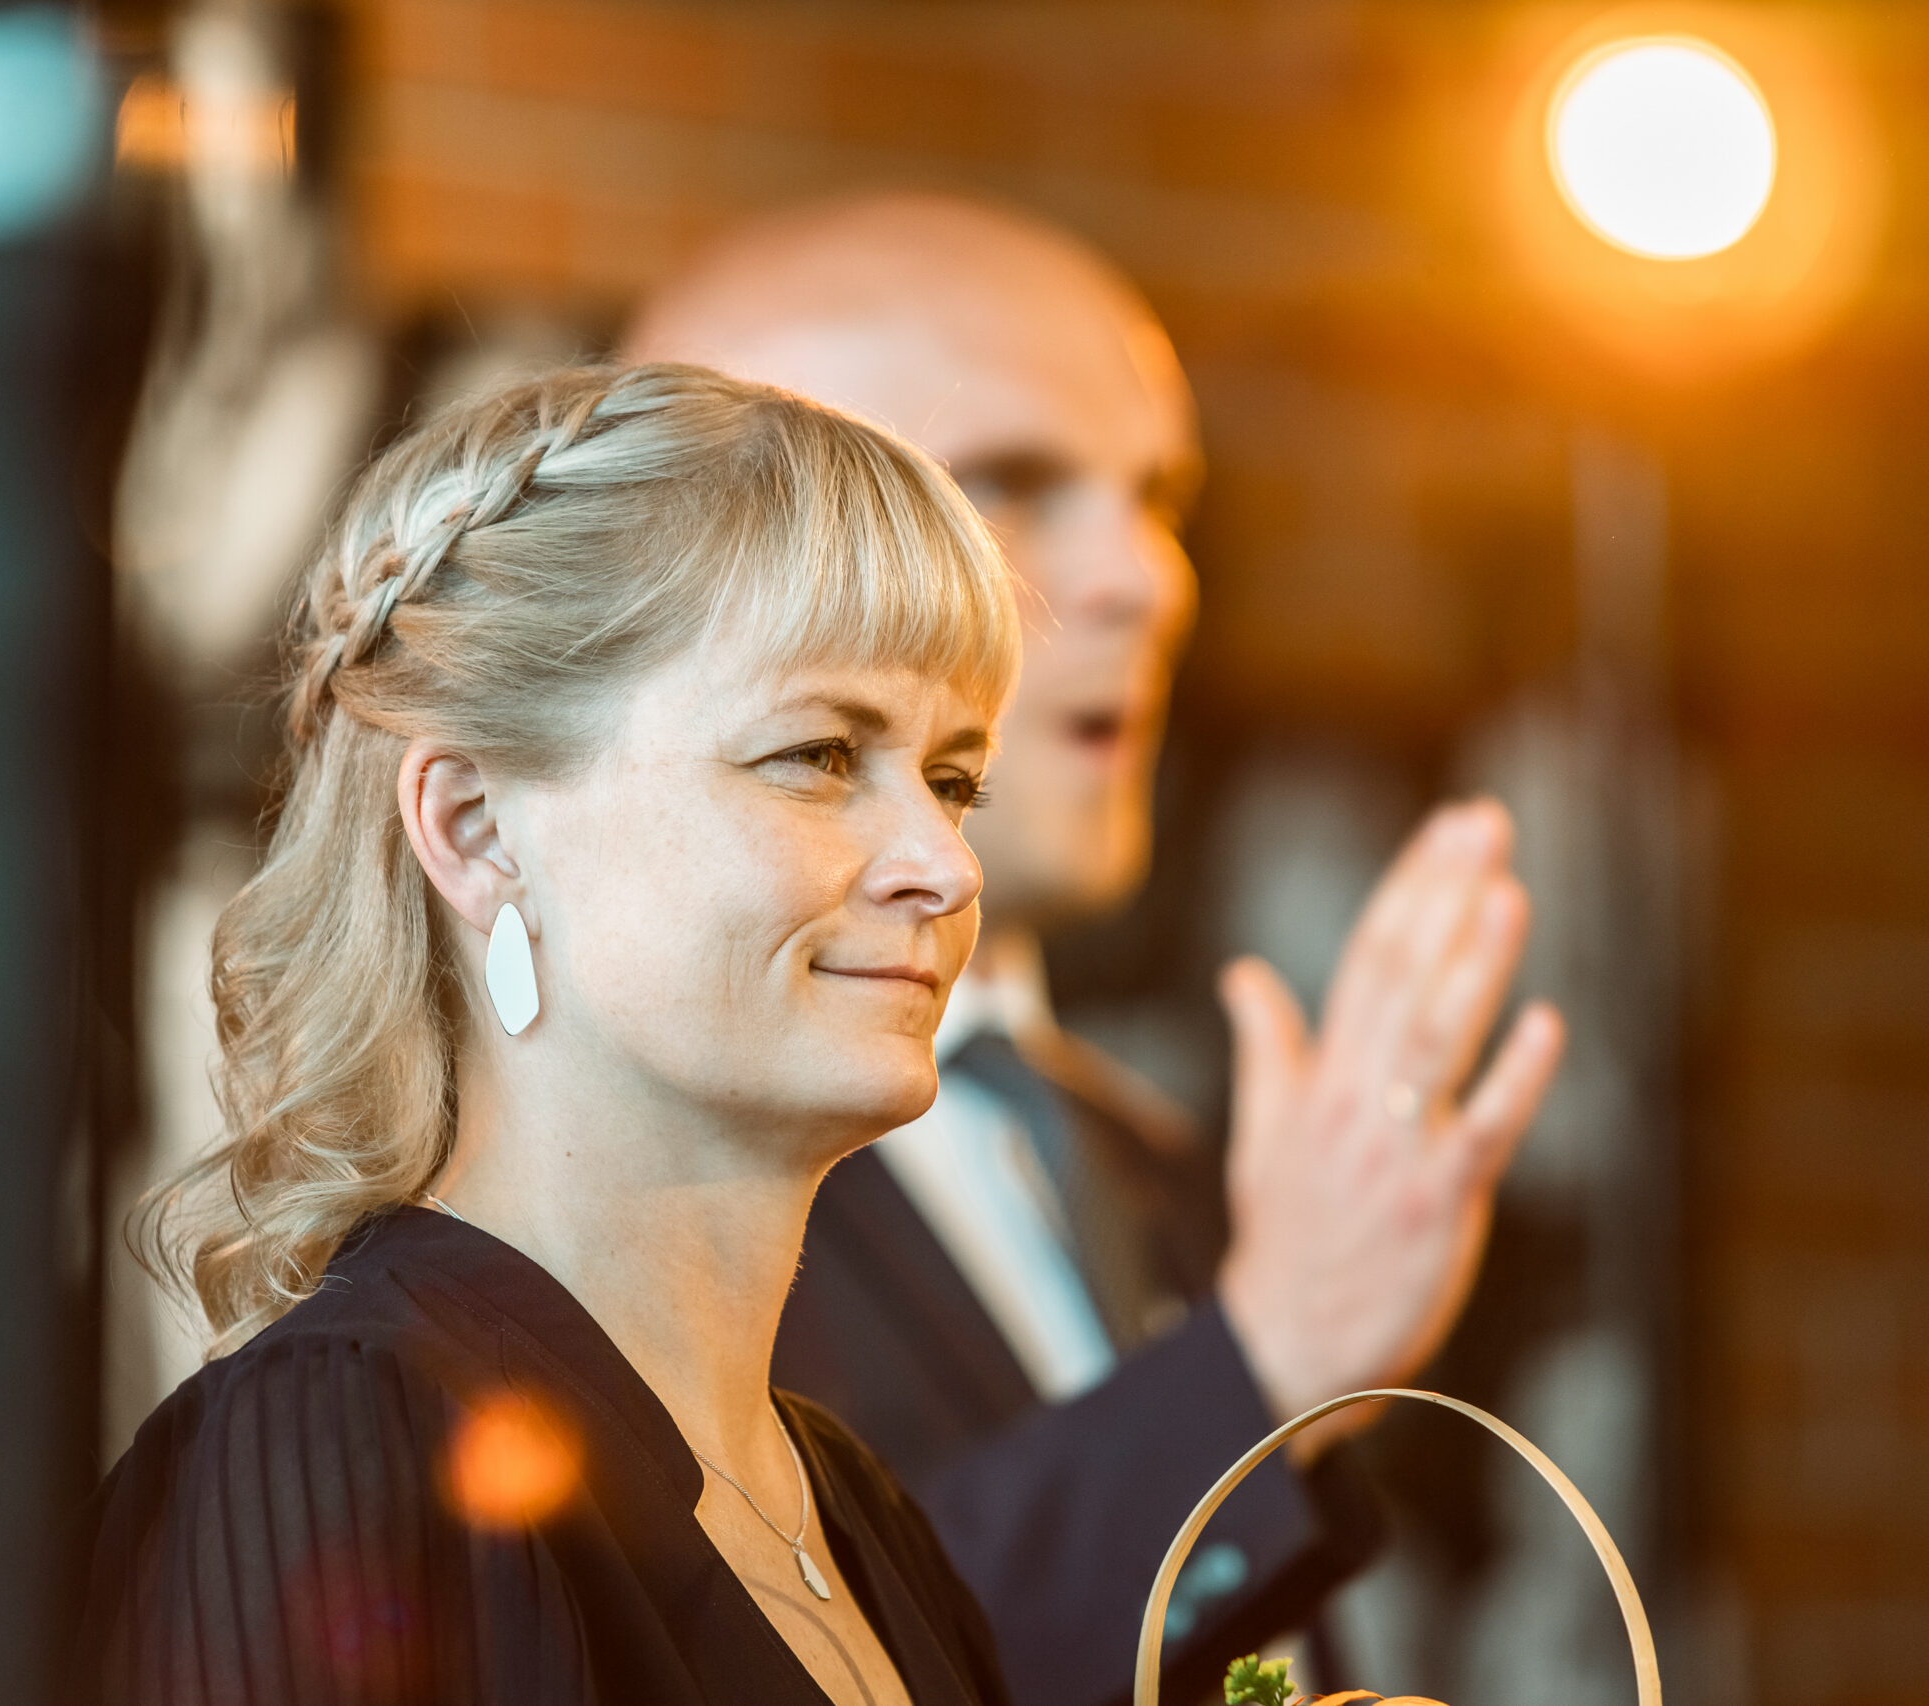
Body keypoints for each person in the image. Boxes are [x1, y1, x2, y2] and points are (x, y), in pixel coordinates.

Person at [626, 193, 1567, 1706]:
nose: (1146, 578)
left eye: (1160, 500)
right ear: (691, 561)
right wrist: (1268, 1360)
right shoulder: (593, 1162)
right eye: (1008, 485)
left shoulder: (1158, 1171)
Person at [80, 362, 1030, 1706]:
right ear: (475, 829)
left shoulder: (863, 1516)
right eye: (819, 755)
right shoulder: (343, 1437)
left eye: (953, 779)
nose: (946, 864)